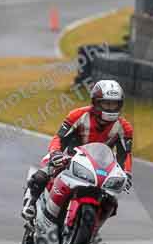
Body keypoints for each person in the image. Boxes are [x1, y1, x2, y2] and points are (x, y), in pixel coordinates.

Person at [21, 80, 134, 221]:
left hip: (101, 165)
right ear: (96, 103)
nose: (111, 108)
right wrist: (56, 153)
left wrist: (127, 173)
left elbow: (125, 154)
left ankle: (93, 223)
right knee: (41, 176)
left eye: (114, 104)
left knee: (112, 198)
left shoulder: (125, 127)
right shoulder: (78, 115)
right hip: (69, 156)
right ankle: (31, 202)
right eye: (106, 103)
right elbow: (59, 138)